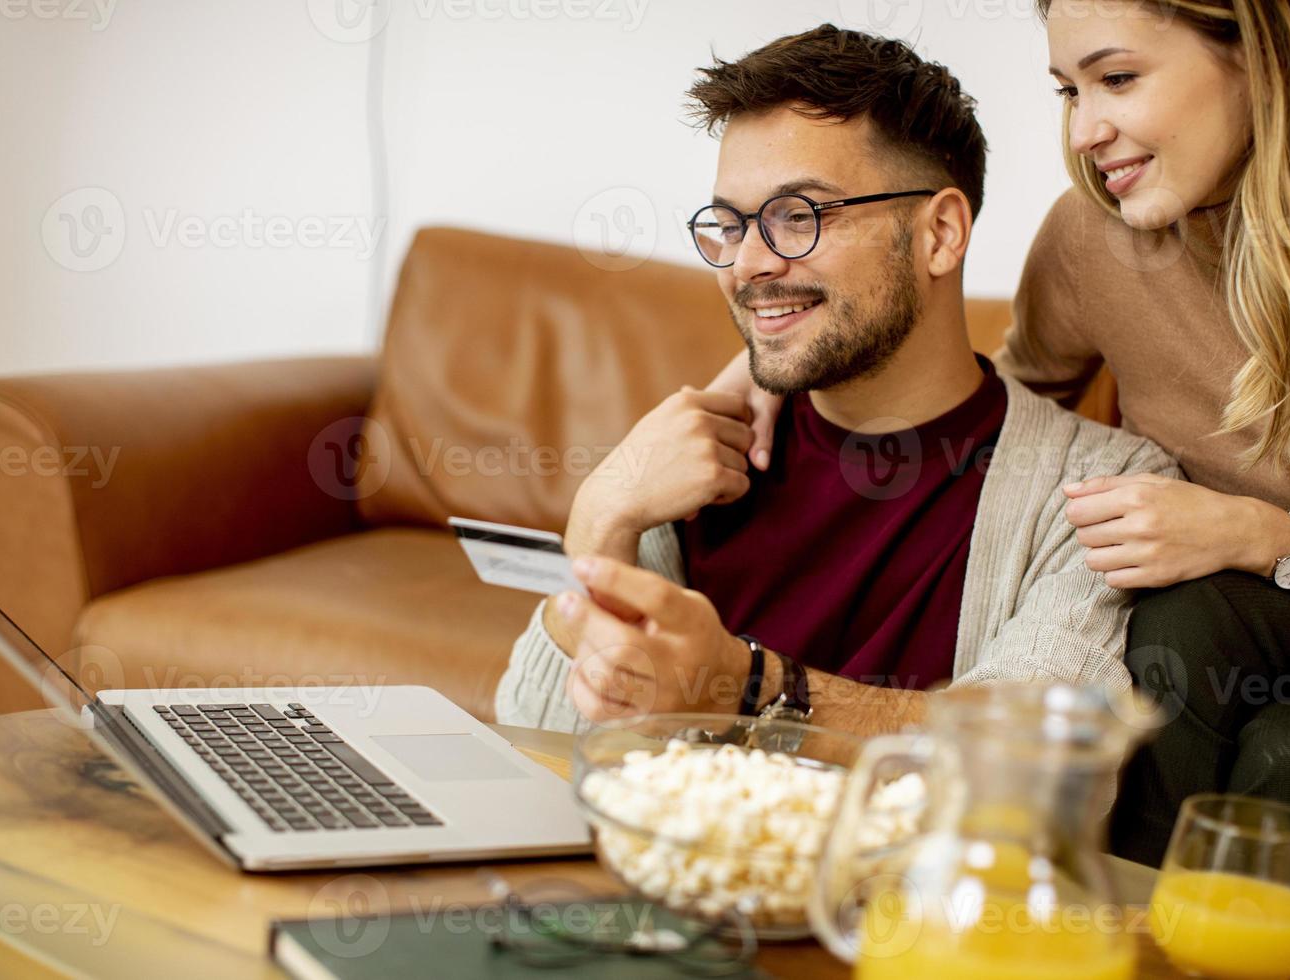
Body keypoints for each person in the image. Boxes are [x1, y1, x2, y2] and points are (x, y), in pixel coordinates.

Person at [712, 1, 1290, 936]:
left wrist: (1272, 542)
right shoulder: (1095, 239)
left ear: (1263, 60)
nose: (1085, 131)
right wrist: (775, 363)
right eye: (1068, 90)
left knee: (1186, 605)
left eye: (1117, 79)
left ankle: (1075, 942)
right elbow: (999, 415)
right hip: (1274, 705)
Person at [493, 25, 1177, 741]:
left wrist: (747, 685)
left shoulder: (1099, 492)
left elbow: (1035, 760)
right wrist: (603, 515)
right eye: (730, 224)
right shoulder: (687, 460)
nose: (747, 264)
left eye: (798, 217)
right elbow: (539, 741)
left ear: (939, 234)